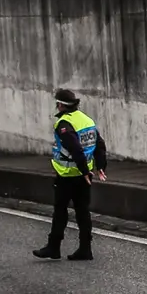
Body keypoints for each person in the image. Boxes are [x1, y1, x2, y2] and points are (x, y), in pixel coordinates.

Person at [34, 88, 105, 261]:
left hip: (68, 175)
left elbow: (75, 148)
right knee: (83, 212)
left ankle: (53, 247)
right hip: (84, 176)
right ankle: (85, 249)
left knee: (60, 211)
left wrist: (83, 169)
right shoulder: (86, 120)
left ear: (60, 105)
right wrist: (100, 166)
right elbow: (100, 144)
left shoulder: (64, 124)